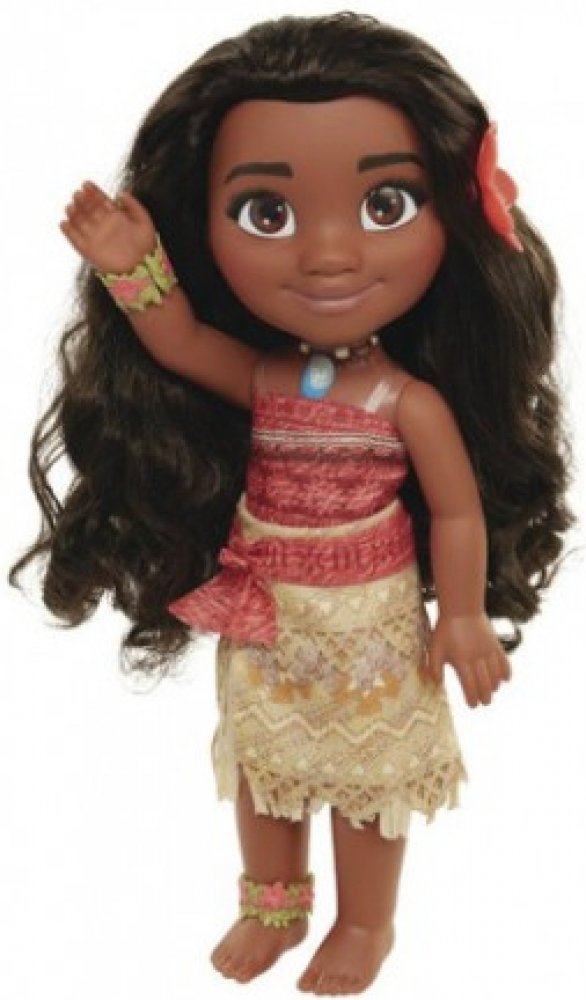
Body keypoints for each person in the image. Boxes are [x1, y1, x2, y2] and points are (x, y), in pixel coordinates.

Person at [10, 12, 572, 995]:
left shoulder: (409, 402)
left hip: (369, 628)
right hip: (266, 613)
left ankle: (364, 922)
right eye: (267, 212)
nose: (327, 256)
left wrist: (463, 613)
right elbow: (183, 341)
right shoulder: (271, 375)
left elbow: (455, 513)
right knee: (266, 763)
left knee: (366, 781)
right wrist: (129, 264)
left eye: (385, 204)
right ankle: (274, 903)